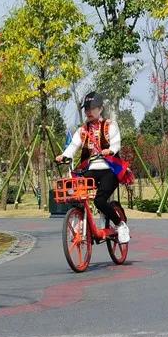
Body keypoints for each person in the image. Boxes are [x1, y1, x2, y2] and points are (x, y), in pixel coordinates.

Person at [55, 91, 132, 244]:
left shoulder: (109, 125)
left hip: (109, 170)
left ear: (100, 109)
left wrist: (111, 150)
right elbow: (74, 145)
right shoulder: (83, 130)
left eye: (92, 108)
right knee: (75, 191)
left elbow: (116, 142)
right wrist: (64, 155)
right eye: (86, 109)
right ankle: (78, 220)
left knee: (100, 201)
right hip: (91, 170)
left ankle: (120, 225)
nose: (88, 112)